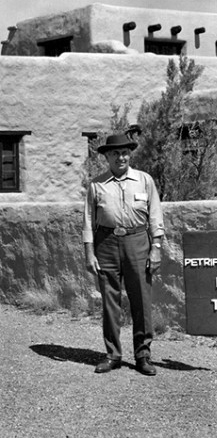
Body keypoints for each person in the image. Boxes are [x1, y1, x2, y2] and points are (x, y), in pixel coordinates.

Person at [82, 132, 164, 376]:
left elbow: (155, 215)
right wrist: (89, 253)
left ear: (130, 154)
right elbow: (88, 221)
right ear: (107, 156)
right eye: (115, 153)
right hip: (106, 243)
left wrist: (156, 248)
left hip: (138, 241)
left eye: (125, 152)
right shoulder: (96, 185)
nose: (121, 157)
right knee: (109, 301)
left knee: (141, 299)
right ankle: (112, 355)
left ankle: (143, 355)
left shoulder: (144, 180)